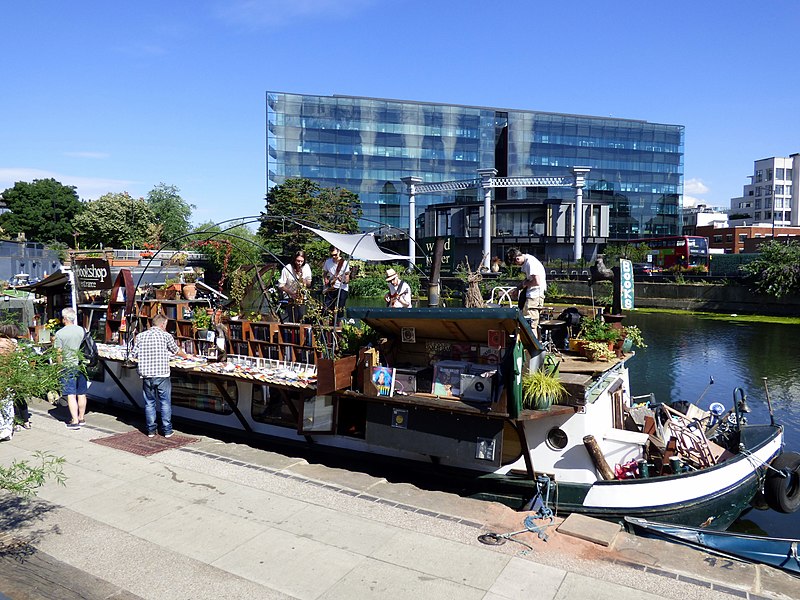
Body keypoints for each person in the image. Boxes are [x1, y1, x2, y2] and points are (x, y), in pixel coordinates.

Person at [131, 313, 189, 438]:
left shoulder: (140, 336)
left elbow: (133, 354)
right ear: (163, 324)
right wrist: (186, 356)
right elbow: (176, 350)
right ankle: (167, 430)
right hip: (162, 374)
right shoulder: (166, 336)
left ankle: (151, 430)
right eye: (166, 325)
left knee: (149, 403)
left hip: (146, 375)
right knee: (165, 402)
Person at [54, 308, 89, 430]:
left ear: (64, 319)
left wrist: (59, 365)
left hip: (68, 366)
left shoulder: (60, 334)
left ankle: (74, 421)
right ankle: (81, 417)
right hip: (82, 365)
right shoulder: (82, 330)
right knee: (82, 393)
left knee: (70, 394)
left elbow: (58, 353)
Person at [506, 248, 547, 333]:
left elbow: (537, 282)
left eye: (515, 264)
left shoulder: (530, 263)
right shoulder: (528, 260)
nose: (517, 266)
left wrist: (525, 285)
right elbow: (528, 280)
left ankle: (533, 345)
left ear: (517, 259)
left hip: (535, 296)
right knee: (527, 323)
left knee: (531, 324)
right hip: (532, 295)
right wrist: (518, 288)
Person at [278, 250, 313, 323]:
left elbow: (309, 283)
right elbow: (281, 285)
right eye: (298, 261)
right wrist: (291, 293)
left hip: (302, 297)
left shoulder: (306, 267)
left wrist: (304, 281)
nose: (299, 263)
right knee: (293, 319)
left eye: (301, 261)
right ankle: (292, 333)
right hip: (290, 297)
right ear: (294, 260)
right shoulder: (287, 268)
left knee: (301, 318)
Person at [322, 246, 351, 319]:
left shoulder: (344, 263)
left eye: (335, 255)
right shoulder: (328, 262)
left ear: (339, 252)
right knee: (326, 308)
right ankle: (328, 326)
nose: (334, 257)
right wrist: (325, 279)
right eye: (332, 255)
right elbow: (324, 273)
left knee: (340, 309)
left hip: (342, 288)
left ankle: (339, 327)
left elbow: (347, 279)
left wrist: (343, 280)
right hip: (331, 288)